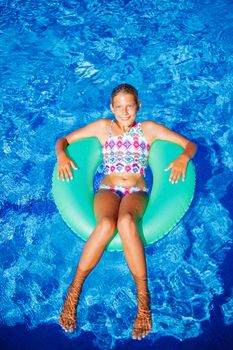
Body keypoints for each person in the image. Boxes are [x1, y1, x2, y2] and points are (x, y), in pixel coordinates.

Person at [55, 83, 197, 340]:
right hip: (108, 189)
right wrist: (61, 156)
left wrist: (183, 158)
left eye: (129, 106)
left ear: (138, 107)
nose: (124, 112)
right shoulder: (102, 127)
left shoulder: (149, 129)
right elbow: (63, 141)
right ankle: (74, 291)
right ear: (111, 108)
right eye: (119, 107)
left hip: (137, 192)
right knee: (106, 225)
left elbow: (189, 145)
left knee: (128, 222)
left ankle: (143, 300)